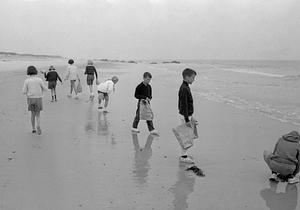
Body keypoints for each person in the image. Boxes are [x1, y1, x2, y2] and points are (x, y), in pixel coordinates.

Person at [177, 68, 197, 164]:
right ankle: (183, 156)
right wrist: (186, 119)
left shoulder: (185, 87)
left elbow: (181, 104)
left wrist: (191, 116)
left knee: (187, 136)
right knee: (186, 137)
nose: (194, 79)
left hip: (186, 115)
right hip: (185, 116)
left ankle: (184, 154)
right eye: (193, 77)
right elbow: (183, 105)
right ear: (187, 77)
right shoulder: (184, 88)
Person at [22, 66, 47, 135]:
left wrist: (28, 92)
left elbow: (23, 91)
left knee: (32, 114)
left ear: (28, 72)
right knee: (38, 114)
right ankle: (38, 125)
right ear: (35, 71)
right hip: (38, 98)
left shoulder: (27, 80)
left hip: (30, 99)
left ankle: (33, 129)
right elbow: (45, 89)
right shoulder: (39, 80)